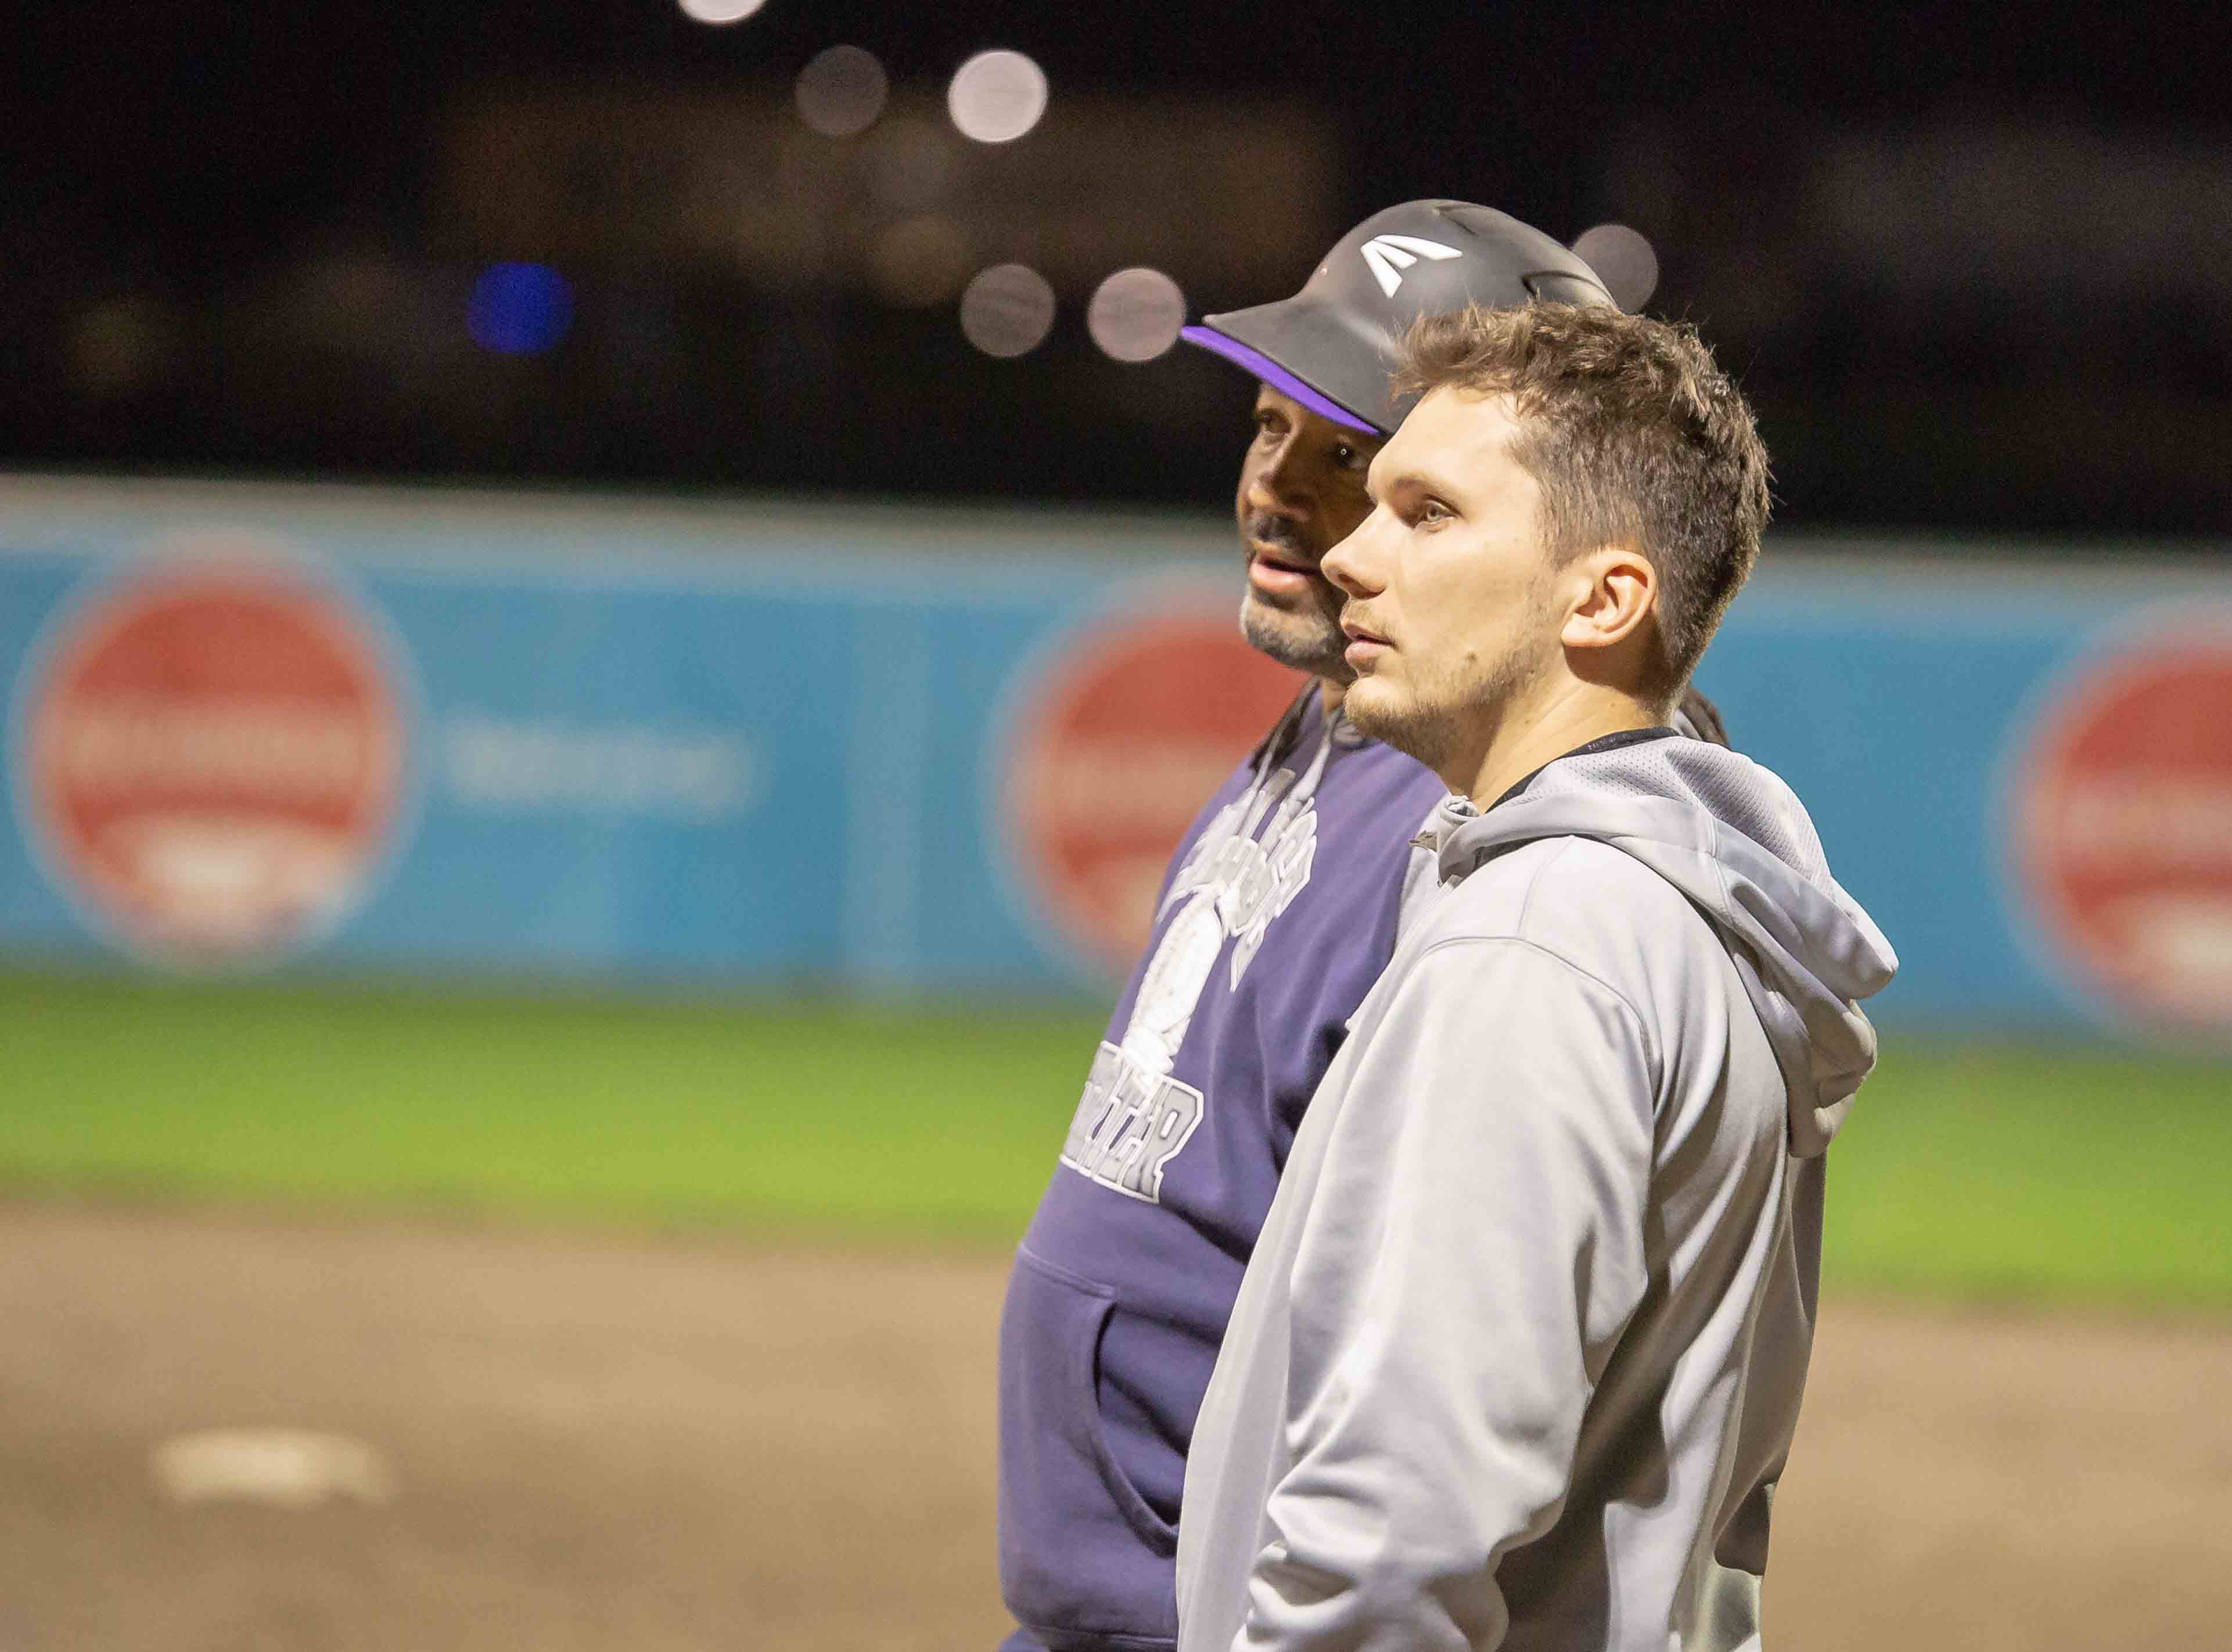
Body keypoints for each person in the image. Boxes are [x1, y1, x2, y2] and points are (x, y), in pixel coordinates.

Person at [996, 201, 1723, 1652]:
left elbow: (1437, 1407)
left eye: (1357, 462)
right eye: (1268, 428)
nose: (1277, 488)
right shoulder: (1339, 728)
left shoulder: (1499, 838)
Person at [1173, 302, 1898, 1652]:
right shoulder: (1662, 902)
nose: (1352, 554)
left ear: (1603, 599)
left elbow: (1391, 1542)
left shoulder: (1538, 946)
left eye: (1426, 515)